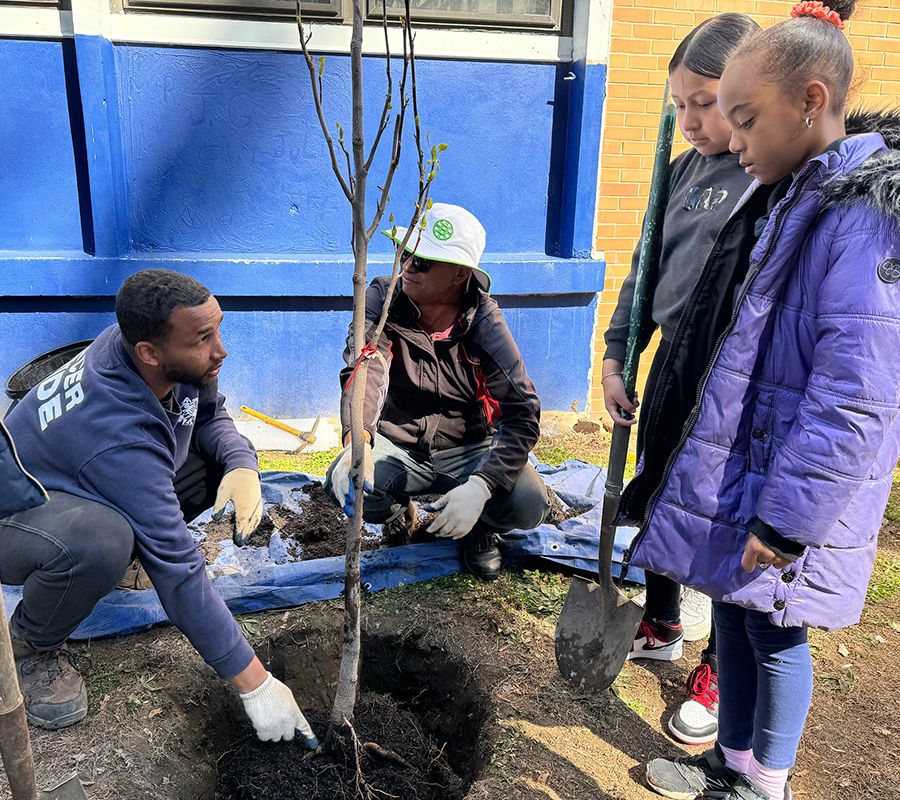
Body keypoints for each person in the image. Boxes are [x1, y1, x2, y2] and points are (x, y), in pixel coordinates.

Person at [633, 2, 900, 799]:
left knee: (777, 634)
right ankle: (732, 762)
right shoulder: (799, 195)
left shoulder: (863, 223)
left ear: (811, 101)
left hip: (799, 492)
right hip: (762, 471)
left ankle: (763, 784)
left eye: (744, 120)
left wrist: (789, 520)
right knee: (742, 620)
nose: (735, 141)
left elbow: (857, 399)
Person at [1, 269, 317, 748]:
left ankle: (112, 558)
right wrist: (257, 685)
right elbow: (179, 569)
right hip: (15, 515)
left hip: (74, 479)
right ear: (149, 352)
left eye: (219, 328)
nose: (221, 351)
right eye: (204, 338)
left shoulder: (154, 354)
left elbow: (209, 416)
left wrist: (241, 463)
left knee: (211, 470)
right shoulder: (117, 433)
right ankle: (31, 644)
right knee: (101, 541)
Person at [602, 13, 776, 747]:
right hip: (671, 362)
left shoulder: (767, 174)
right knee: (659, 489)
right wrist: (618, 352)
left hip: (734, 376)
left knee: (720, 514)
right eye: (679, 104)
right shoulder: (681, 170)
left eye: (704, 102)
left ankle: (716, 668)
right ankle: (663, 618)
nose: (691, 120)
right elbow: (646, 270)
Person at [324, 203, 550, 581]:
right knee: (349, 479)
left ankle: (479, 527)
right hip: (399, 444)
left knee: (527, 502)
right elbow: (365, 367)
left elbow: (523, 413)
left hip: (468, 449)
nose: (408, 267)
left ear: (459, 274)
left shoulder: (484, 324)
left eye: (424, 261)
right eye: (405, 253)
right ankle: (400, 516)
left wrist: (481, 486)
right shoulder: (383, 300)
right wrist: (357, 439)